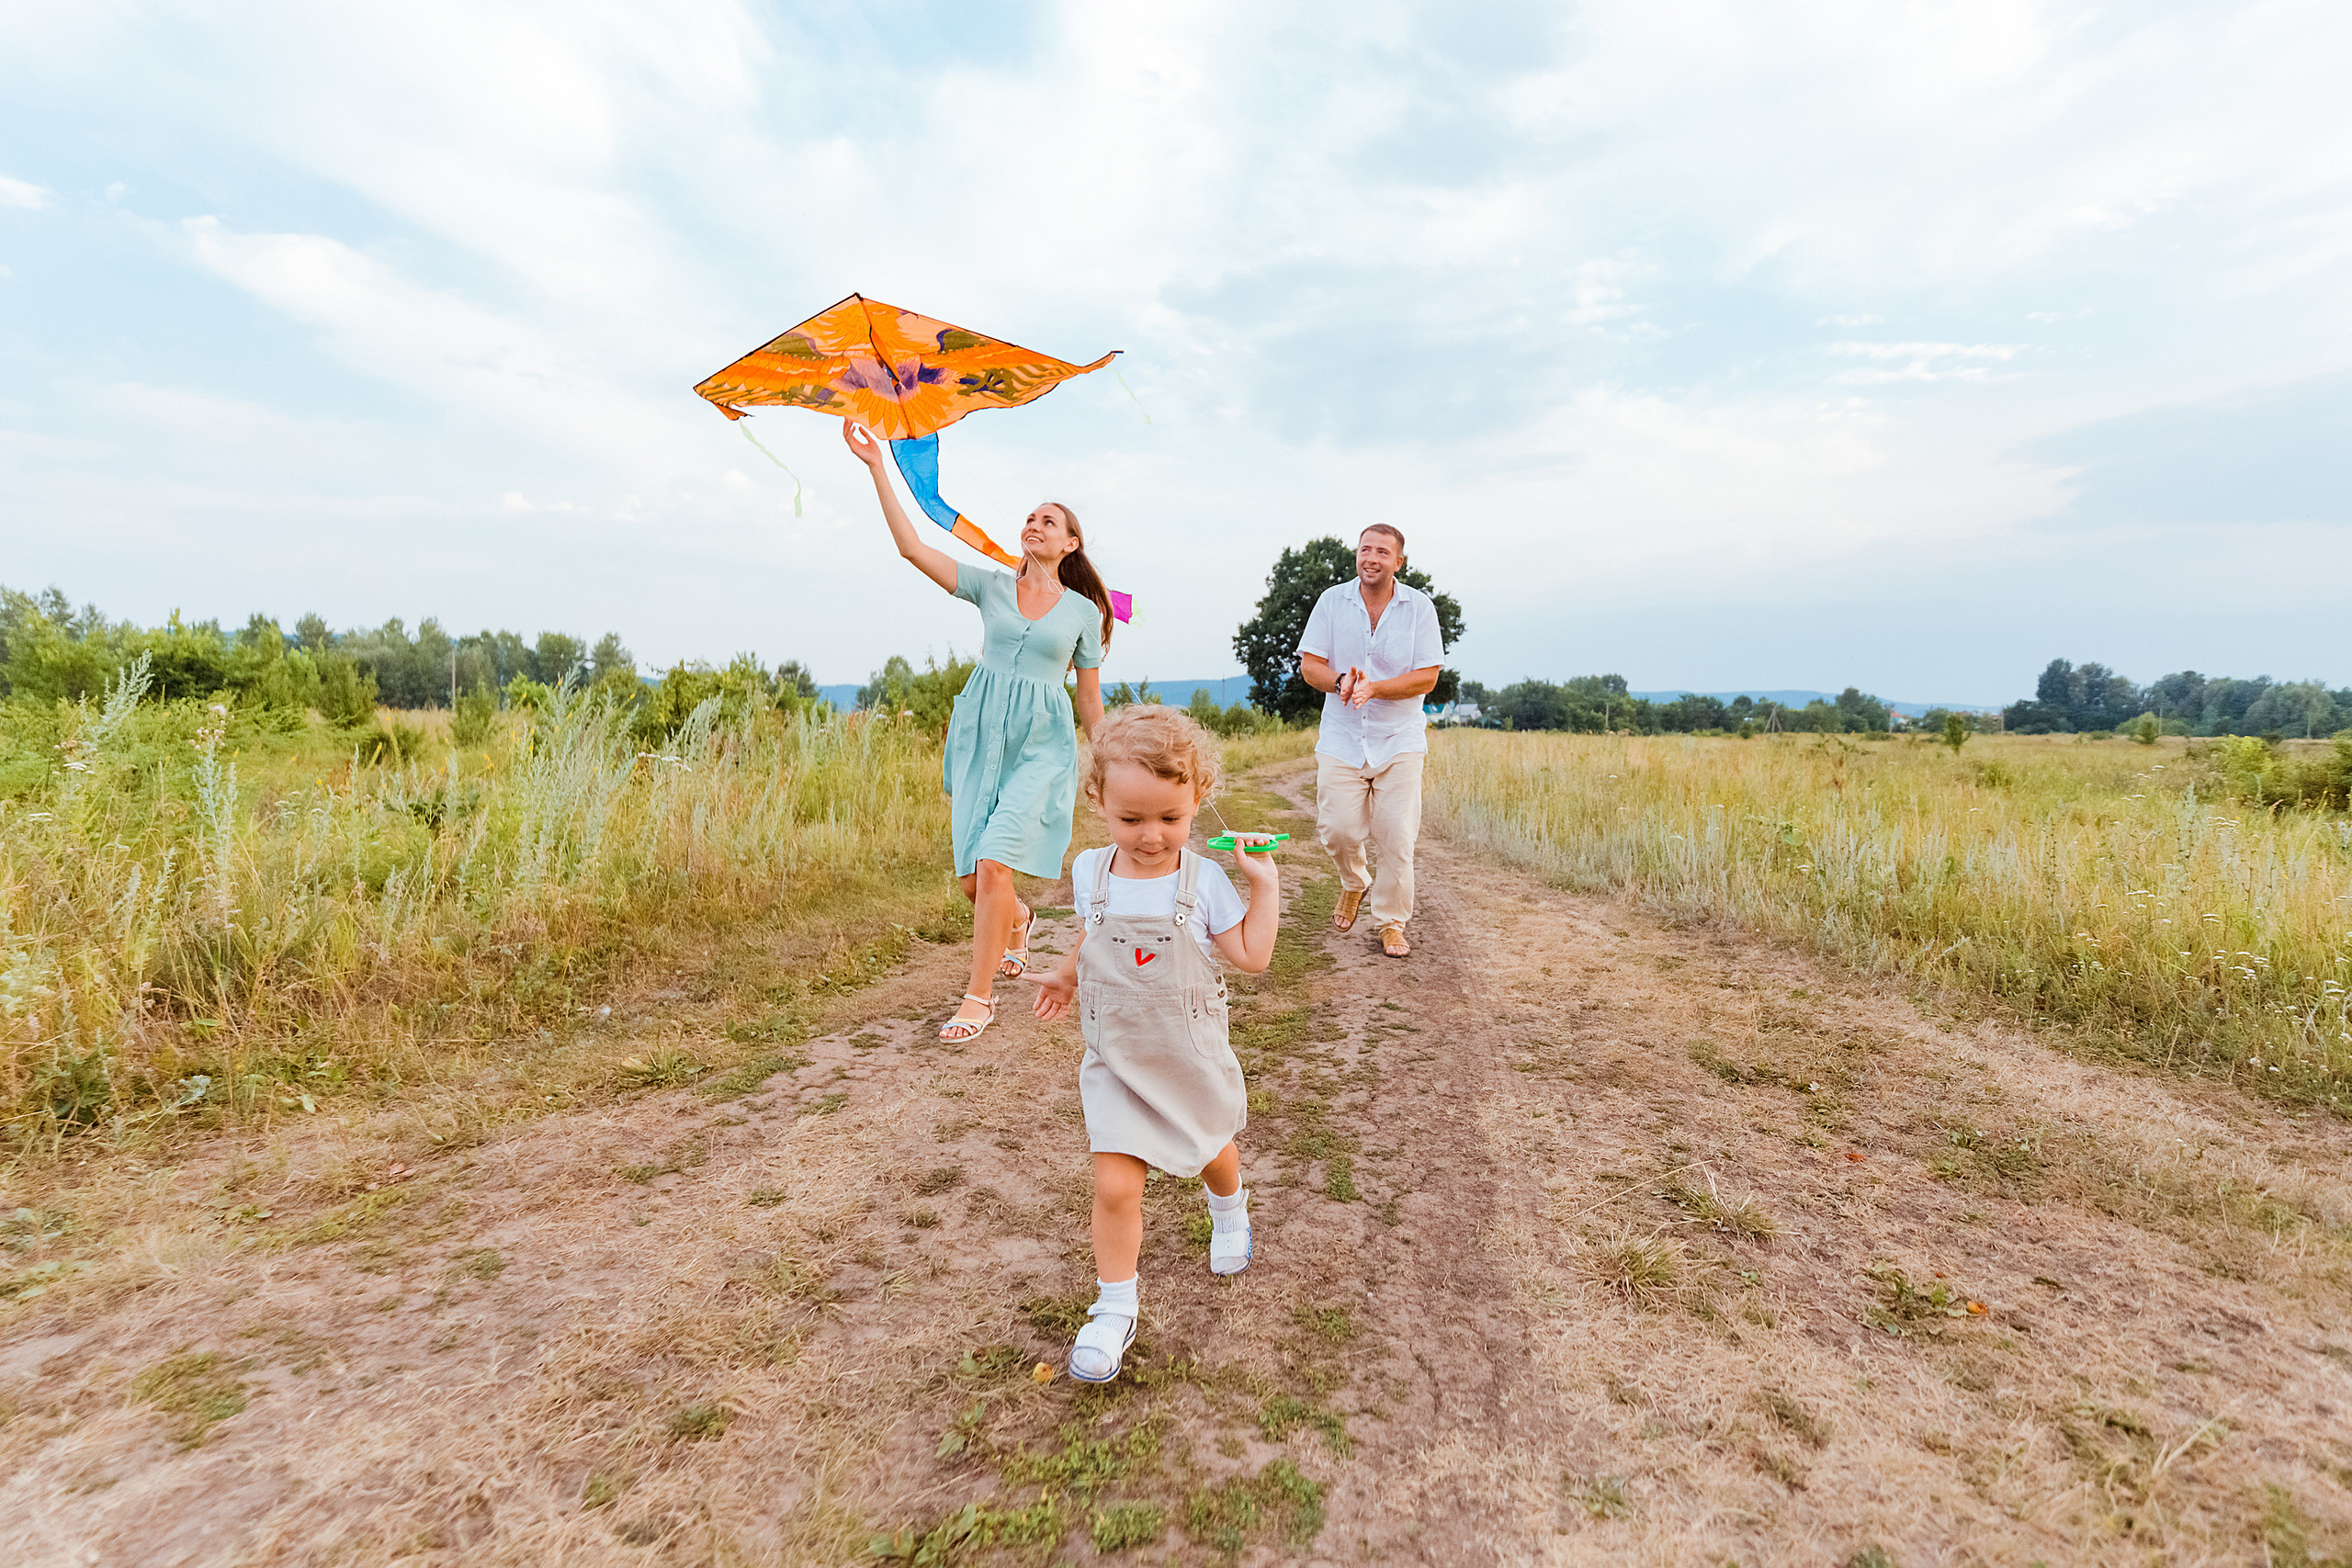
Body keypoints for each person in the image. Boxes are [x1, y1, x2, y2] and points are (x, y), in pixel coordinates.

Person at [1027, 705, 1279, 1384]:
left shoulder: (1205, 883)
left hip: (1186, 1056)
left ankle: (1229, 1207)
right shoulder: (1090, 872)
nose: (1149, 835)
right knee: (1114, 1183)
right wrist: (1064, 972)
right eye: (1130, 818)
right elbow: (1094, 934)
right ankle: (1114, 1307)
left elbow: (1252, 956)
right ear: (1099, 800)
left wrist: (1266, 885)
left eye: (1170, 818)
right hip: (1116, 1057)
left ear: (1198, 799)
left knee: (1212, 1153)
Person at [842, 417, 1113, 1041]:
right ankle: (1017, 919)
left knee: (993, 862)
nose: (1035, 524)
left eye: (1050, 520)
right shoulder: (990, 584)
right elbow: (913, 549)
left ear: (1070, 544)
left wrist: (1108, 766)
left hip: (1041, 744)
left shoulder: (1082, 612)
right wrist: (878, 467)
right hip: (980, 732)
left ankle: (979, 997)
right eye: (1031, 517)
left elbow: (1090, 701)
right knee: (975, 881)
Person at [1295, 524, 1442, 957]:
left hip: (1399, 739)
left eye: (1382, 552)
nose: (1371, 558)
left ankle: (1391, 922)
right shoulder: (1331, 602)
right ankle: (1354, 881)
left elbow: (1428, 676)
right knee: (1337, 829)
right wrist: (1341, 680)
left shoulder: (1419, 608)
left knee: (1396, 835)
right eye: (1365, 550)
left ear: (1399, 562)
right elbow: (1310, 666)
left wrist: (1374, 688)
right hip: (1342, 737)